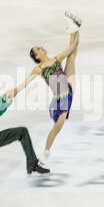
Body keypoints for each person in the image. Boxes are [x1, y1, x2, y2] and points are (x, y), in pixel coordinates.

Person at [15, 11, 81, 165]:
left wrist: (77, 29)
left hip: (68, 88)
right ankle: (46, 152)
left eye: (39, 46)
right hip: (60, 100)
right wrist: (13, 92)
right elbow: (25, 83)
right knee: (57, 127)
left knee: (71, 55)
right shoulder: (38, 69)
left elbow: (73, 46)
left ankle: (73, 25)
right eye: (38, 49)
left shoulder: (56, 58)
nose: (41, 47)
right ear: (37, 56)